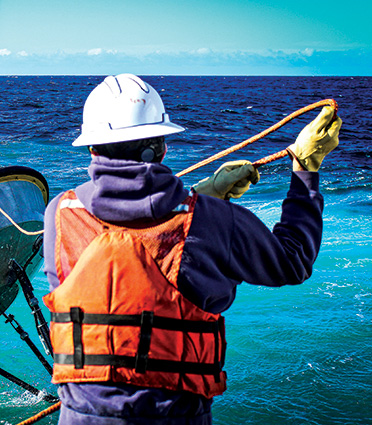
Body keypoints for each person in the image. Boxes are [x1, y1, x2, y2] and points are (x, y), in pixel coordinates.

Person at [42, 74, 341, 425]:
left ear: (92, 148)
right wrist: (306, 170)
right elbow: (292, 261)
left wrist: (206, 193)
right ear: (160, 148)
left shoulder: (60, 214)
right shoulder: (214, 221)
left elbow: (130, 227)